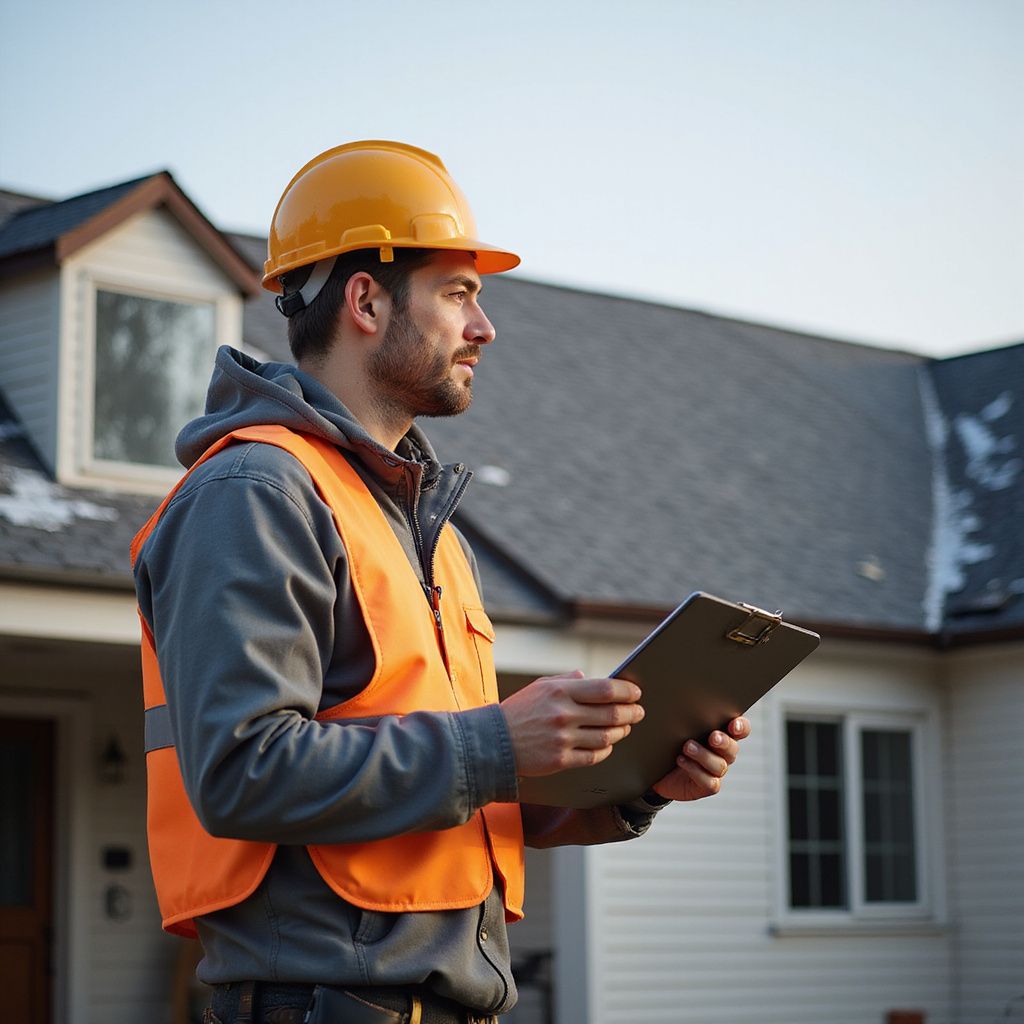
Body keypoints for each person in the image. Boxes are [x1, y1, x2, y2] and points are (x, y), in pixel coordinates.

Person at [132, 140, 750, 1024]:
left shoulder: (423, 530)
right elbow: (244, 772)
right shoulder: (256, 491)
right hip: (326, 1003)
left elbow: (470, 801)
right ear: (367, 299)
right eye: (459, 294)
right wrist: (497, 741)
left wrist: (642, 781)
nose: (485, 328)